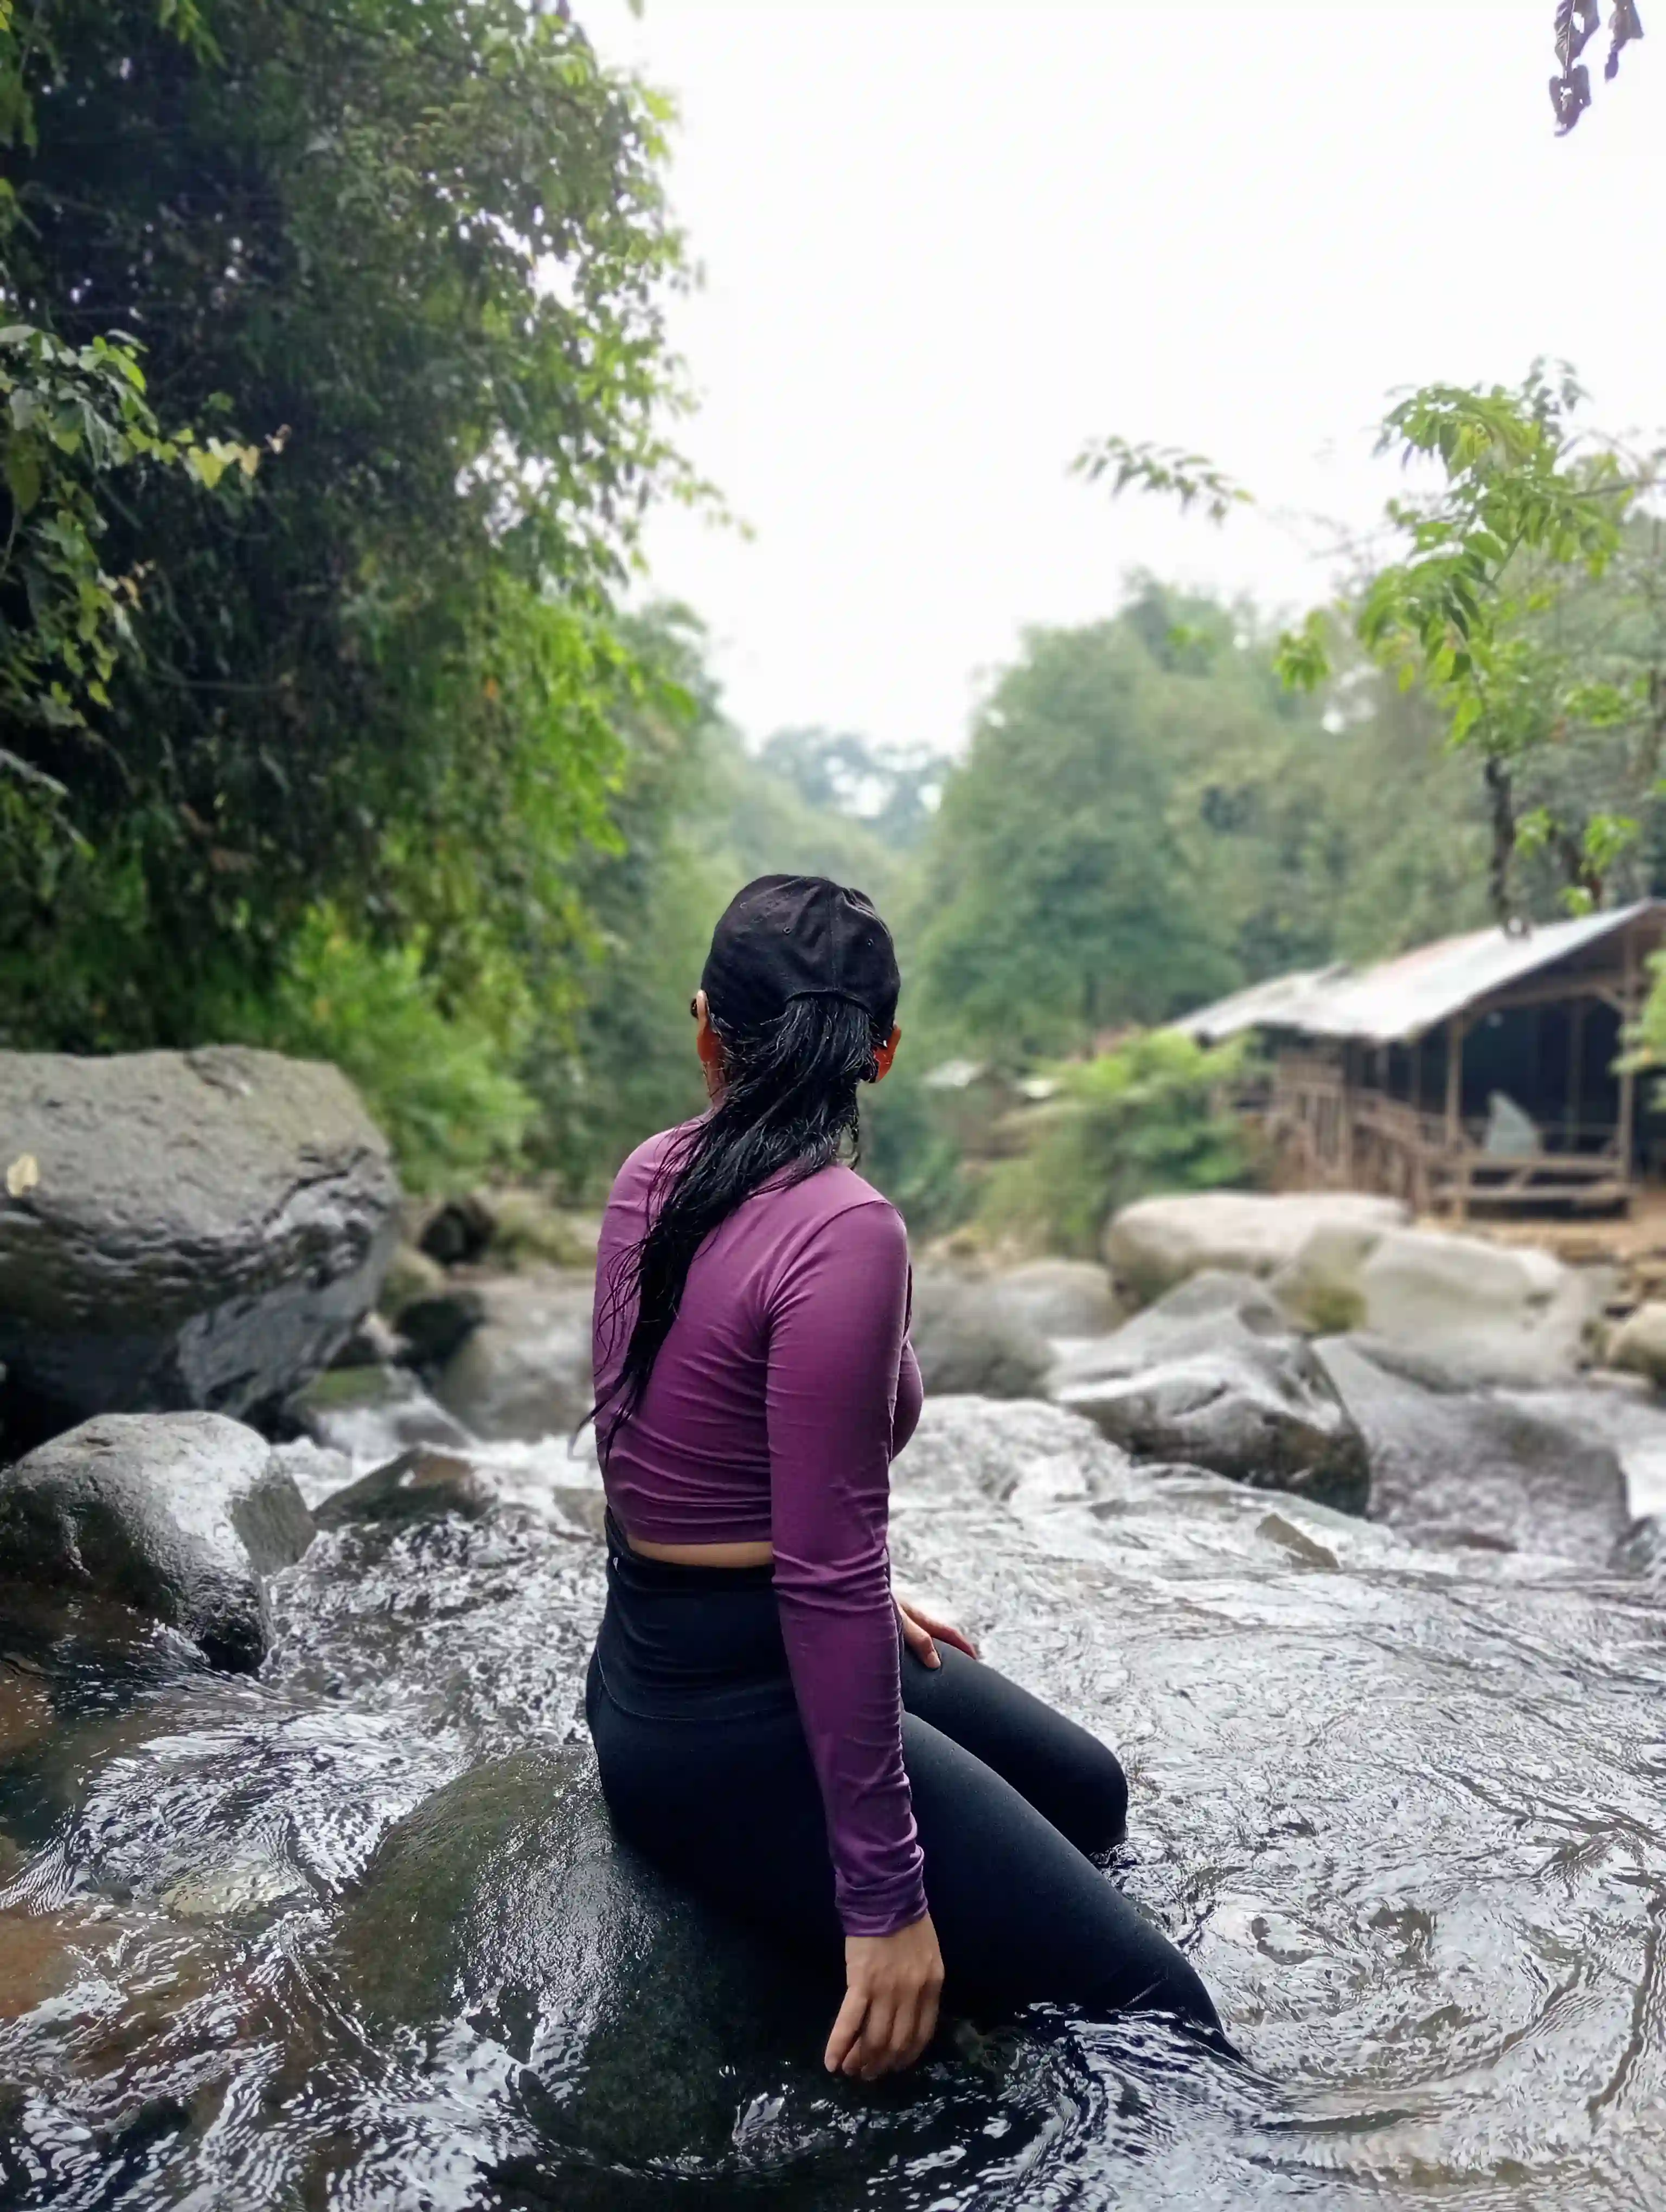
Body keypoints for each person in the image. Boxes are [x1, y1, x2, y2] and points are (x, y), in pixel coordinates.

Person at [585, 874, 1223, 2083]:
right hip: (727, 1723)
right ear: (880, 1055)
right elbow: (821, 1564)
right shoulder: (843, 1226)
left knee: (1088, 1794)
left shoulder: (654, 1174)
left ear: (704, 1024)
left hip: (660, 1674)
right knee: (1166, 2017)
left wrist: (860, 1601)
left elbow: (659, 1461)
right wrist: (886, 1907)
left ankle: (1005, 1989)